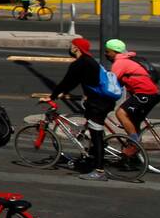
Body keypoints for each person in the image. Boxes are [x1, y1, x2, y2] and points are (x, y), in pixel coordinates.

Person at [43, 37, 112, 181]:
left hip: (98, 104)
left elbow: (66, 82)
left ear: (76, 48)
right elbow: (73, 82)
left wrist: (53, 96)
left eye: (71, 45)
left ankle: (99, 171)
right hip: (102, 101)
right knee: (95, 133)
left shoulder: (80, 63)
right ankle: (92, 159)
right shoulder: (90, 61)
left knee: (96, 136)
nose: (70, 47)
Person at [106, 38, 160, 152]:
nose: (106, 54)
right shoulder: (127, 59)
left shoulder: (120, 62)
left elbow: (110, 84)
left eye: (107, 51)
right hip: (151, 93)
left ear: (114, 51)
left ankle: (134, 144)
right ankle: (135, 155)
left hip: (146, 93)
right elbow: (119, 85)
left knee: (121, 113)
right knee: (132, 122)